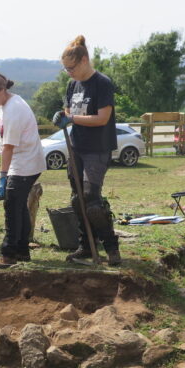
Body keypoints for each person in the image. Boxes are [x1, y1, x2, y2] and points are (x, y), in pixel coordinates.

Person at [52, 35, 121, 266]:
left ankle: (111, 246)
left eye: (70, 68)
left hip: (97, 149)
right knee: (77, 199)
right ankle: (85, 246)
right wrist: (63, 116)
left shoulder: (102, 83)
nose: (68, 72)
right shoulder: (73, 84)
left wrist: (71, 118)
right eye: (65, 69)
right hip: (77, 147)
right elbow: (69, 111)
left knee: (92, 199)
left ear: (84, 61)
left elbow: (102, 118)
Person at [0, 72, 45, 268]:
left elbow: (8, 147)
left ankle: (8, 254)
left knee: (11, 206)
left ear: (1, 90)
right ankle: (22, 250)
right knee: (18, 206)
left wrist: (3, 177)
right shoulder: (5, 103)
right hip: (24, 161)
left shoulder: (13, 110)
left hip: (25, 163)